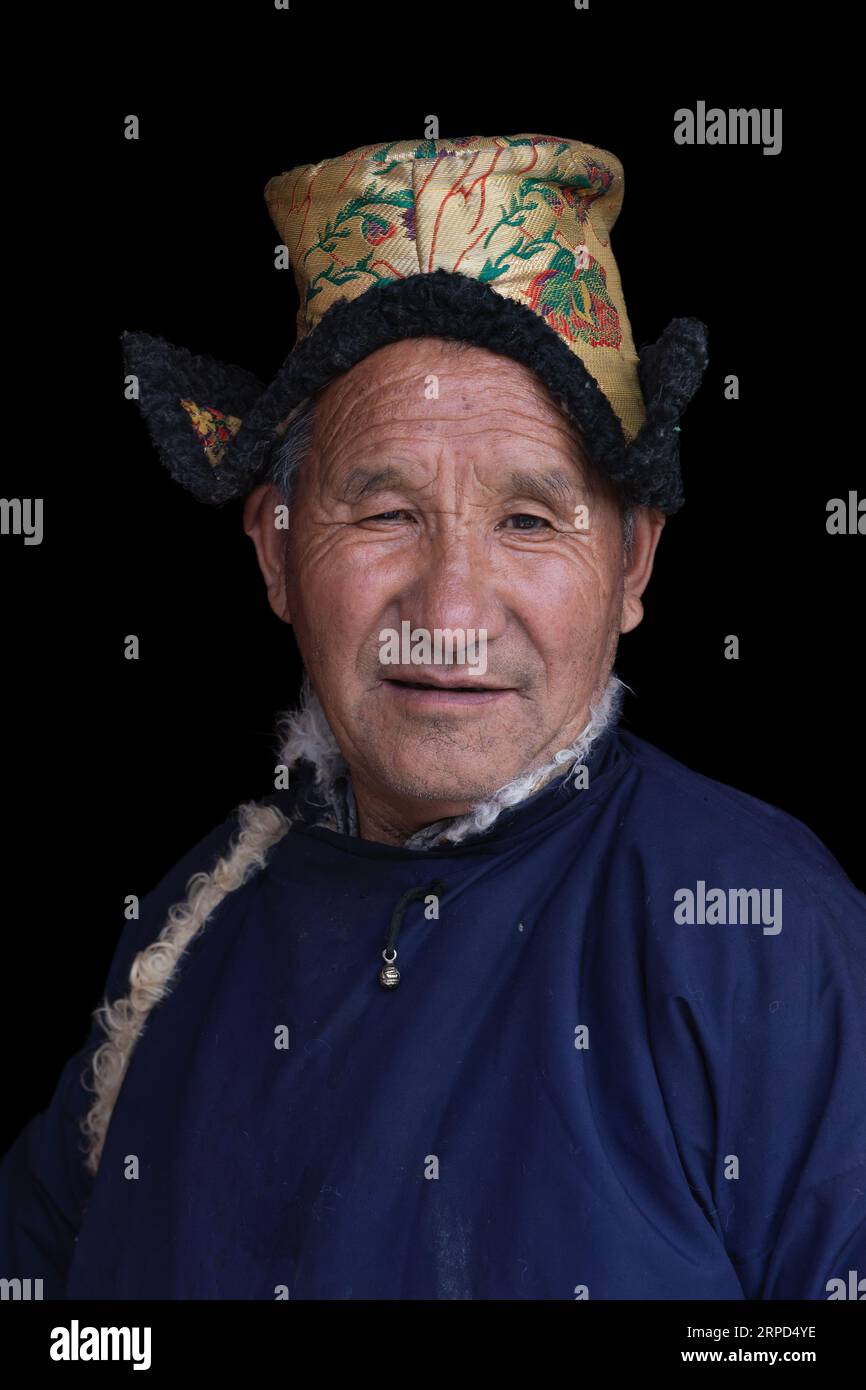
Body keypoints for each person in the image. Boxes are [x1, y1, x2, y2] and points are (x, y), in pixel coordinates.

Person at [2, 133, 863, 1301]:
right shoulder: (185, 930)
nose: (448, 611)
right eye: (386, 510)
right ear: (277, 550)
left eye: (527, 519)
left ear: (630, 563)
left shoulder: (762, 936)